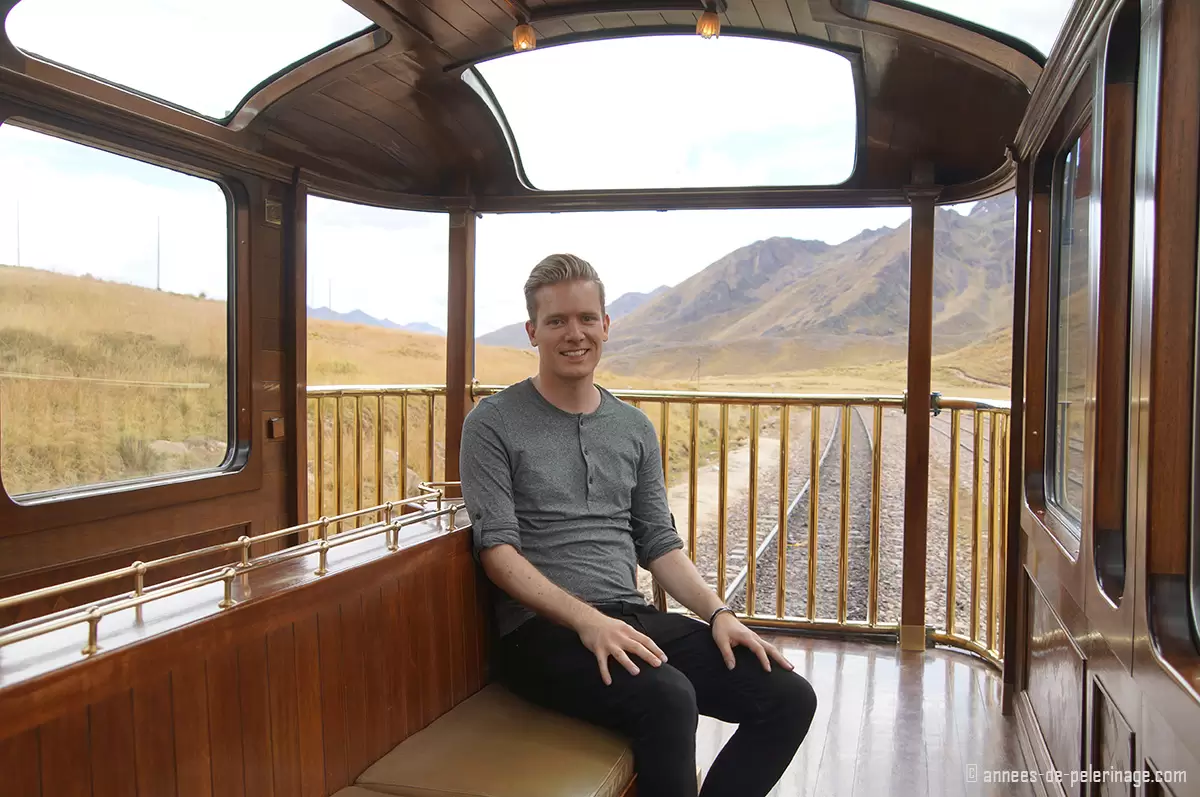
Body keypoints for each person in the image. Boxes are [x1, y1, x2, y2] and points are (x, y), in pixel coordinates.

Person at [458, 253, 817, 797]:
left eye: (585, 319)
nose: (573, 334)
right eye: (556, 321)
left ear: (606, 325)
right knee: (670, 697)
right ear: (532, 332)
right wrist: (585, 621)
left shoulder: (632, 427)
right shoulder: (492, 423)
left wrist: (719, 613)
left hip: (629, 617)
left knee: (789, 697)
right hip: (538, 634)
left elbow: (658, 542)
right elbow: (499, 554)